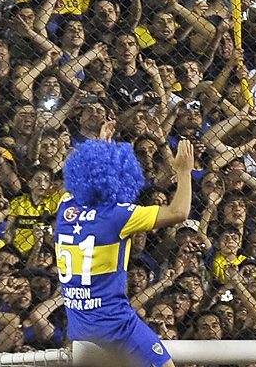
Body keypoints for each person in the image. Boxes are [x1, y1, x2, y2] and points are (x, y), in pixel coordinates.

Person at [55, 138, 196, 367]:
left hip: (79, 325)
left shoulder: (65, 206)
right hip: (115, 324)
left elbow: (89, 174)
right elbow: (179, 211)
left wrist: (101, 144)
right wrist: (184, 171)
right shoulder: (118, 216)